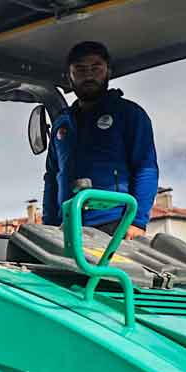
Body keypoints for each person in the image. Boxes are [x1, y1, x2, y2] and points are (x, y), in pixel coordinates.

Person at [42, 41, 159, 238]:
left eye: (96, 68)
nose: (88, 75)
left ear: (108, 72)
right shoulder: (62, 125)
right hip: (68, 226)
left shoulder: (129, 115)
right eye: (80, 69)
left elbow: (146, 168)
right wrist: (49, 225)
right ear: (69, 76)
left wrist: (137, 221)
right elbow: (52, 177)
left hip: (114, 225)